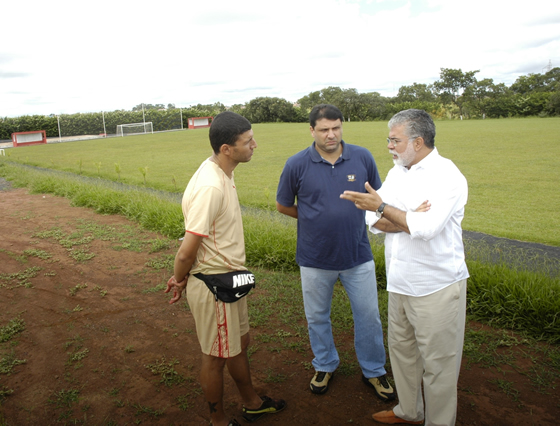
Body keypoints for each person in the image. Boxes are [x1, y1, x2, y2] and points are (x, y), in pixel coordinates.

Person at [340, 108, 469, 425]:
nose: (389, 146)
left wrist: (388, 209)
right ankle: (410, 411)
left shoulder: (447, 176)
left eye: (394, 140)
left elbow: (426, 229)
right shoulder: (399, 173)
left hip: (436, 287)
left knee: (439, 364)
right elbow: (372, 219)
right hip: (400, 284)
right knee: (402, 352)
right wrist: (407, 215)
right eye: (389, 139)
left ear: (418, 141)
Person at [165, 111, 286, 426]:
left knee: (239, 345)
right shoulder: (211, 187)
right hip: (213, 285)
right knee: (215, 357)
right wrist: (179, 280)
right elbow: (187, 248)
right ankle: (217, 420)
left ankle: (252, 403)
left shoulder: (222, 172)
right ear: (226, 149)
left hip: (229, 280)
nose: (254, 145)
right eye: (248, 142)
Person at [276, 104, 396, 401]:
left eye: (336, 128)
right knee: (317, 316)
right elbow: (283, 204)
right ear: (312, 130)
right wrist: (314, 218)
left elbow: (377, 199)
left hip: (357, 254)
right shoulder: (296, 164)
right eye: (324, 129)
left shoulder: (362, 157)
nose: (332, 134)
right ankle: (325, 364)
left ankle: (374, 369)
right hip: (315, 257)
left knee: (368, 315)